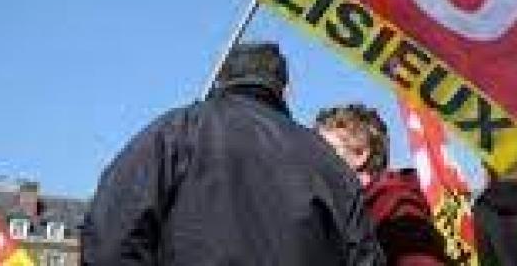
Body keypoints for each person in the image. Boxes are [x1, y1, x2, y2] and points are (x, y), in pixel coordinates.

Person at [81, 42, 385, 266]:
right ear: (284, 89)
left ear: (221, 78)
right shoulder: (326, 161)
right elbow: (363, 255)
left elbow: (111, 233)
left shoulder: (175, 132)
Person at [315, 103, 449, 265]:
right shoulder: (356, 206)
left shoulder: (395, 203)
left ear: (360, 154)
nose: (315, 160)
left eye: (325, 150)